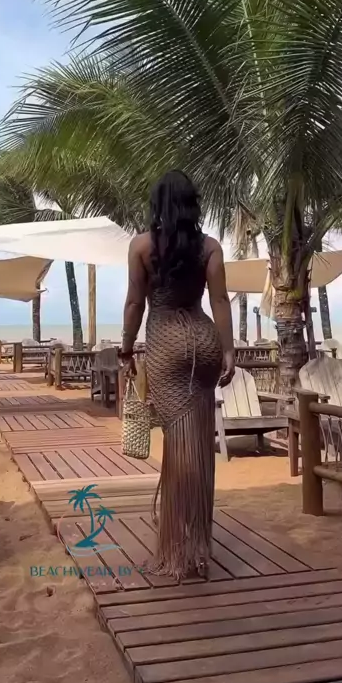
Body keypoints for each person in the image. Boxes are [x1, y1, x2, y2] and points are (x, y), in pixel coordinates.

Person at [119, 170, 235, 580]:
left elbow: (135, 303)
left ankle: (178, 547)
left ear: (158, 205)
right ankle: (195, 541)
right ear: (192, 205)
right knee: (197, 445)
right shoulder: (210, 247)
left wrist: (126, 348)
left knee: (178, 446)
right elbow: (220, 300)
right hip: (204, 340)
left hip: (166, 344)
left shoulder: (142, 246)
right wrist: (228, 350)